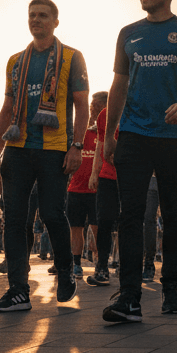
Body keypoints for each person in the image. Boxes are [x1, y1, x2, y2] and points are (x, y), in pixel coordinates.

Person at [103, 0, 177, 322]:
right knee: (131, 215)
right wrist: (110, 133)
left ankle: (170, 286)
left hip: (174, 135)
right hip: (133, 134)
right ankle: (131, 296)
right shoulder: (128, 34)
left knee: (174, 214)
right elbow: (118, 84)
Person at [0, 0, 87, 313]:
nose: (36, 20)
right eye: (32, 15)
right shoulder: (16, 61)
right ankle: (18, 289)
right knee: (15, 219)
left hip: (54, 149)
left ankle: (66, 269)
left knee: (53, 214)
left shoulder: (71, 57)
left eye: (43, 15)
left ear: (56, 21)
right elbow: (7, 108)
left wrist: (78, 146)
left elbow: (82, 105)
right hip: (17, 149)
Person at [66, 91, 105, 278]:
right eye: (91, 105)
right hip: (76, 188)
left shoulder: (107, 134)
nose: (93, 109)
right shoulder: (80, 131)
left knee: (98, 228)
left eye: (97, 106)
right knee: (75, 227)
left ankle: (100, 263)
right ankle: (76, 263)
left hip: (97, 189)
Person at [88, 95, 121, 286]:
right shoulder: (104, 115)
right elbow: (100, 144)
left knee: (128, 222)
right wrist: (95, 173)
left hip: (129, 177)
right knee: (104, 221)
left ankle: (127, 267)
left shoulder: (137, 109)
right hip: (107, 176)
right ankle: (102, 267)